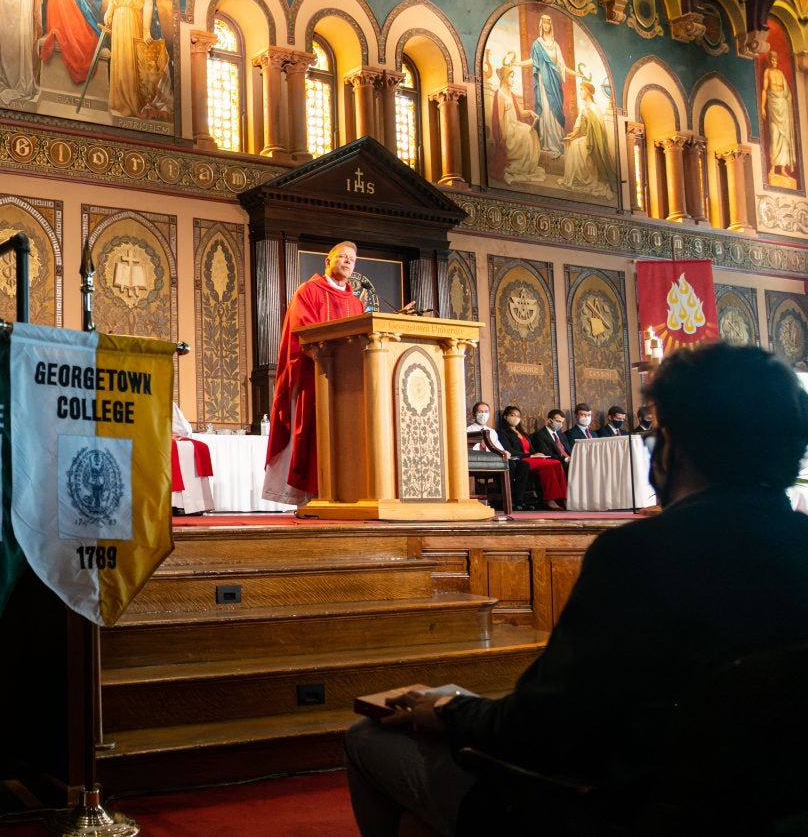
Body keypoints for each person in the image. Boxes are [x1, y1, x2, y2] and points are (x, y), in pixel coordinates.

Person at [343, 343, 808, 836]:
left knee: (368, 740)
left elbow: (542, 729)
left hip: (620, 810)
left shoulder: (637, 556)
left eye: (654, 431)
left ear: (674, 445)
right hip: (771, 809)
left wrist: (450, 708)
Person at [263, 242, 391, 504]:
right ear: (327, 262)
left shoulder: (355, 303)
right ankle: (312, 494)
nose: (347, 262)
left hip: (348, 382)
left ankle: (346, 491)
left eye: (352, 259)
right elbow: (304, 329)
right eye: (342, 257)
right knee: (313, 431)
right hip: (315, 374)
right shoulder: (308, 292)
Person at [103, 0, 155, 119]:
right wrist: (109, 11)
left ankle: (129, 103)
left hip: (132, 18)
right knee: (118, 57)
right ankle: (117, 101)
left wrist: (146, 30)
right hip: (118, 18)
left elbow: (148, 4)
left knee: (129, 58)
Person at [516, 12, 575, 158]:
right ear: (541, 25)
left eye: (549, 23)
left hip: (555, 83)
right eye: (545, 23)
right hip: (543, 82)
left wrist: (575, 73)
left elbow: (562, 65)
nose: (547, 25)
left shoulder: (555, 46)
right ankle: (547, 144)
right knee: (546, 109)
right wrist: (518, 63)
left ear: (551, 26)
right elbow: (532, 61)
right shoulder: (537, 44)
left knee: (555, 110)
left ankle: (557, 144)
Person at [487, 52, 547, 185]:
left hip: (515, 124)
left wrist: (531, 112)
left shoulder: (511, 94)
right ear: (504, 78)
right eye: (511, 77)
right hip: (508, 128)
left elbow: (520, 111)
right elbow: (501, 119)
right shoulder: (500, 94)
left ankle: (527, 167)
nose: (513, 79)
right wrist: (503, 135)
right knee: (525, 134)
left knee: (532, 132)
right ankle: (520, 166)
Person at [556, 67, 614, 197]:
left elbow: (600, 129)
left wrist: (593, 137)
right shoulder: (584, 109)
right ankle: (577, 178)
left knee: (577, 146)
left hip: (593, 141)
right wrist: (573, 134)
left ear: (588, 91)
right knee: (573, 144)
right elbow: (578, 125)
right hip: (586, 139)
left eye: (582, 90)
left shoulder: (594, 108)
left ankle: (587, 179)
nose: (580, 92)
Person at [496, 405, 566, 510]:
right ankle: (550, 499)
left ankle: (563, 497)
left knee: (556, 462)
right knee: (549, 465)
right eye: (512, 415)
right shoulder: (502, 432)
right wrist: (531, 455)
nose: (516, 418)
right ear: (505, 417)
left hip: (532, 458)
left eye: (518, 416)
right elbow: (509, 450)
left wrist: (539, 455)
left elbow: (531, 449)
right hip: (520, 459)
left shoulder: (522, 433)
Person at [467, 401, 532, 508]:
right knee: (511, 466)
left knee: (524, 465)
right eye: (480, 412)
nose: (483, 414)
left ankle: (518, 500)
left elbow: (499, 448)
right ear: (474, 414)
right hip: (480, 462)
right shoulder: (468, 430)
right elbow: (471, 450)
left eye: (486, 411)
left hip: (496, 459)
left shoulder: (492, 432)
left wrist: (506, 453)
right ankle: (507, 500)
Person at [762, 50, 796, 183]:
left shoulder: (781, 73)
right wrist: (762, 106)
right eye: (772, 60)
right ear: (770, 60)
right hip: (773, 104)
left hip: (782, 104)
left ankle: (782, 169)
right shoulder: (767, 72)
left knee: (784, 138)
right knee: (775, 135)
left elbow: (787, 93)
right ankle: (772, 167)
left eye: (776, 60)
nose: (774, 62)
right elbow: (765, 90)